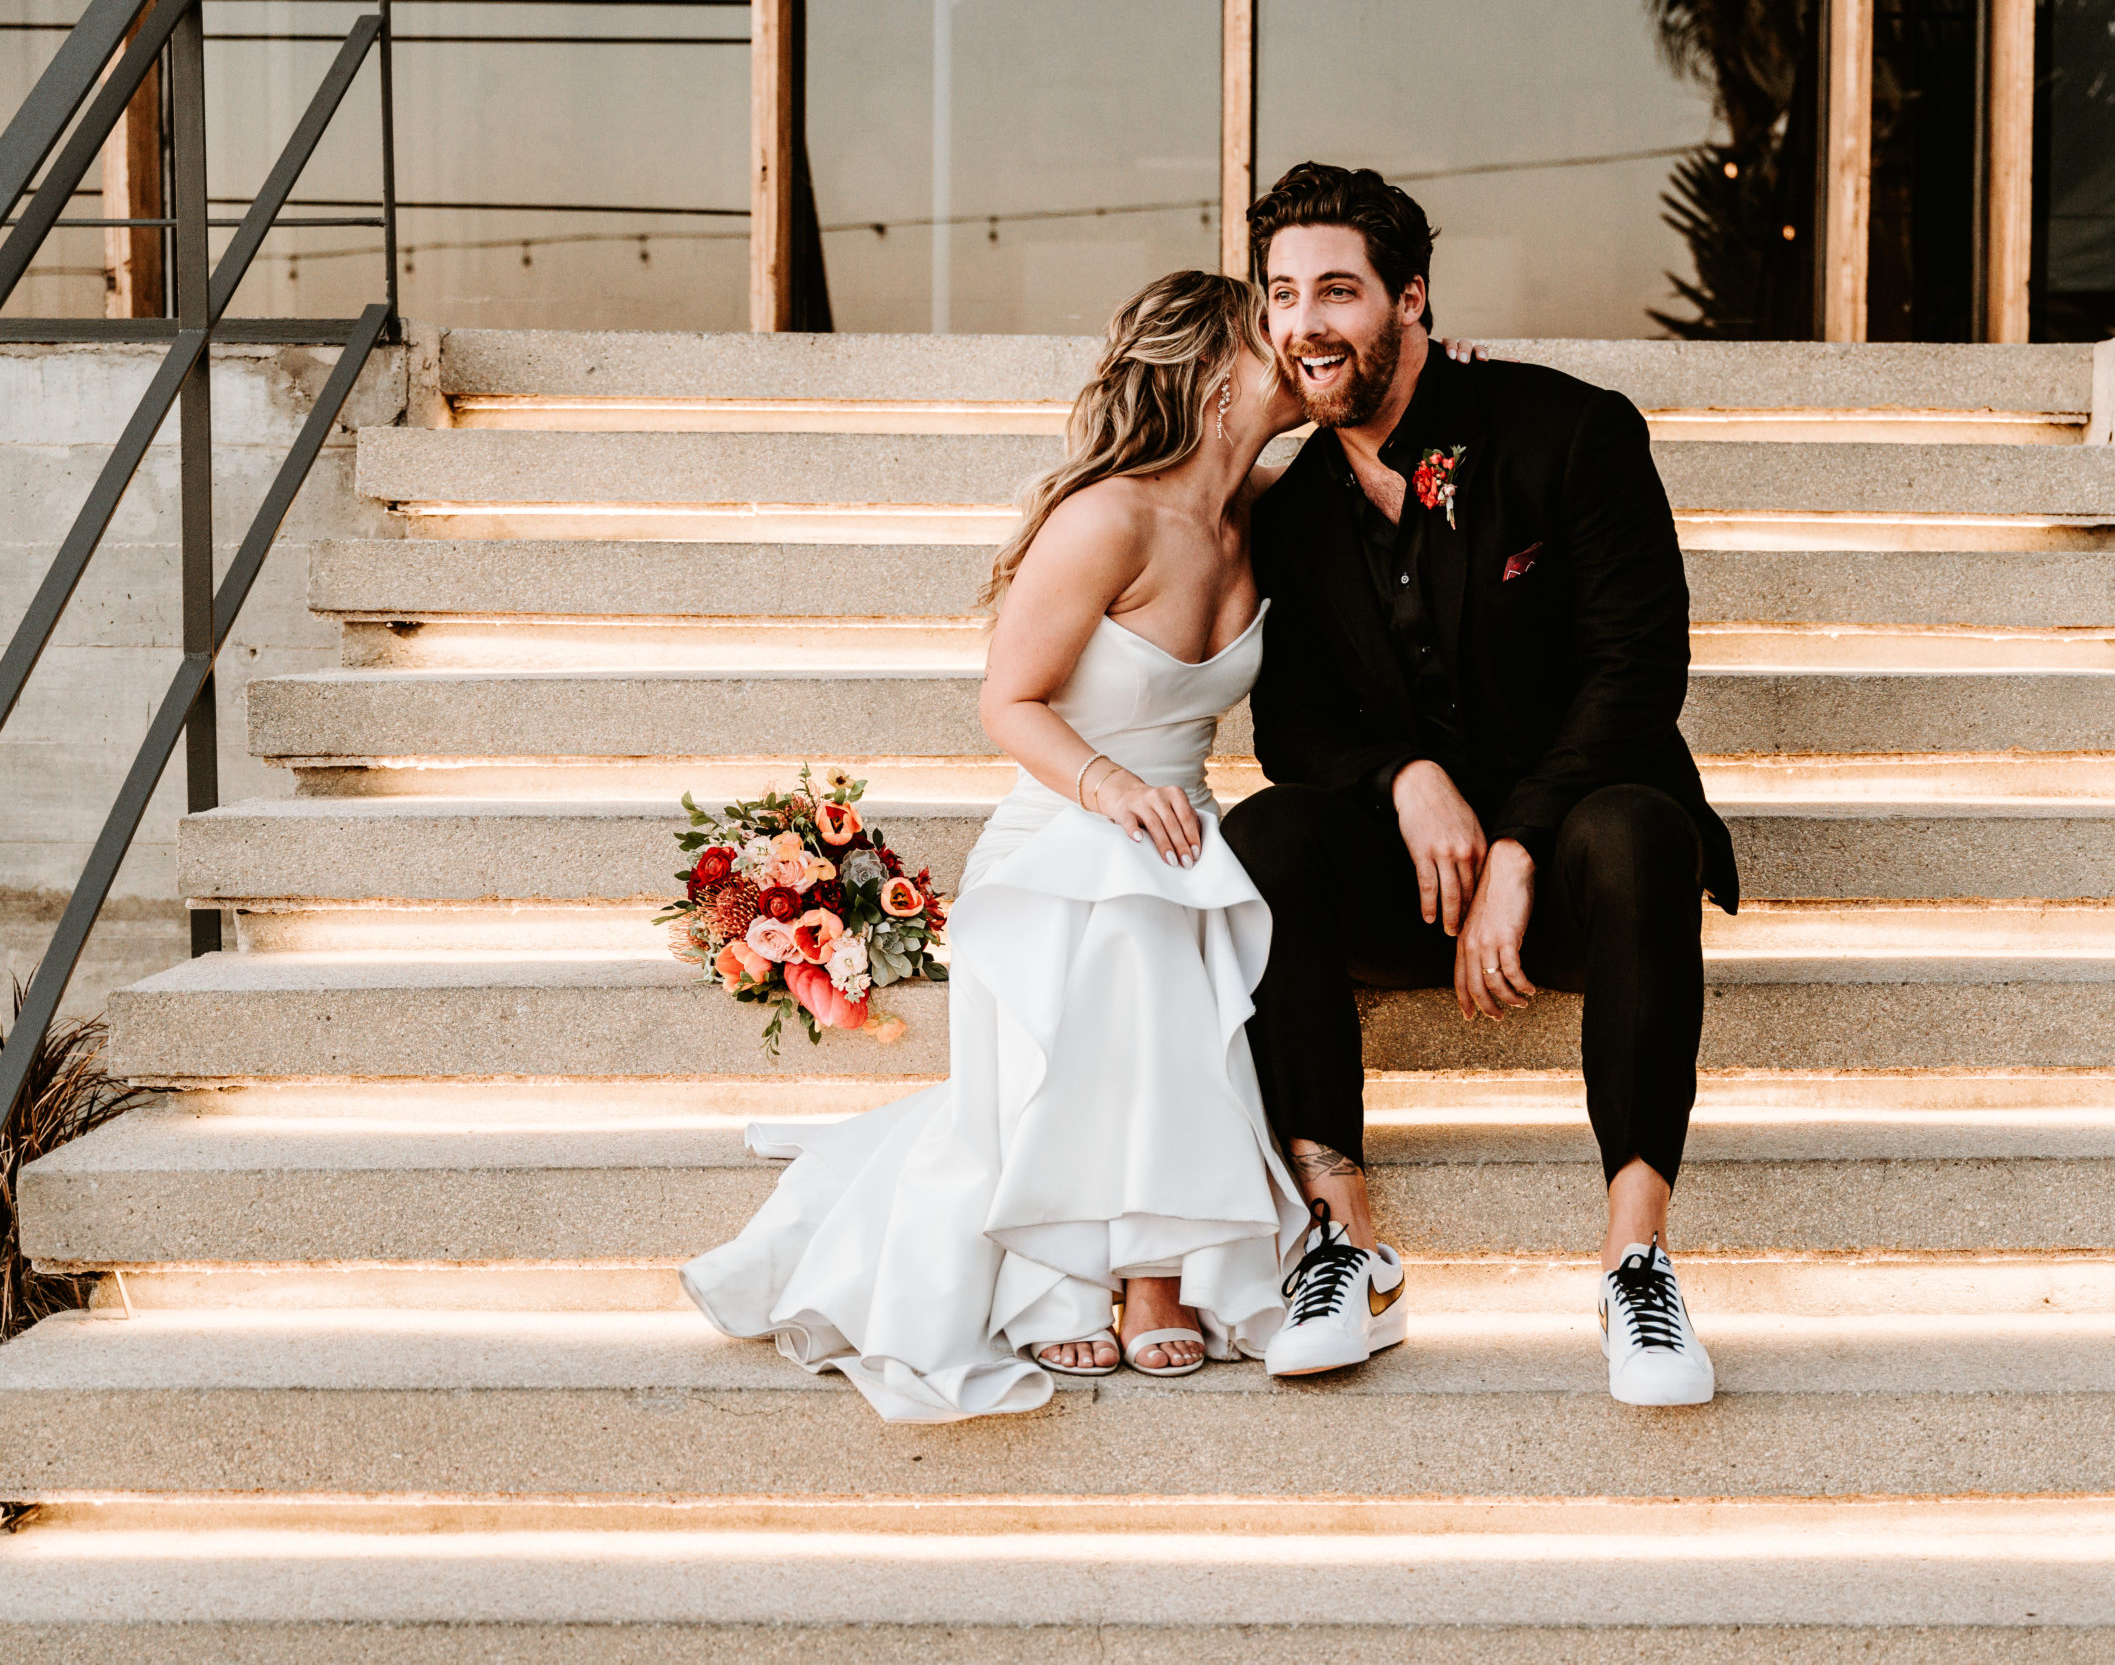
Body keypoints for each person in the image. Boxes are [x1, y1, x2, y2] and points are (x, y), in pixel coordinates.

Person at [682, 271, 1316, 1421]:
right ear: (1219, 377)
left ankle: (1152, 1271)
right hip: (1067, 825)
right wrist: (1111, 786)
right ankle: (1086, 1270)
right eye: (1274, 340)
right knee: (1133, 929)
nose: (1301, 350)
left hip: (1180, 828)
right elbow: (1009, 701)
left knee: (1163, 913)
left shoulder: (1265, 510)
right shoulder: (1107, 517)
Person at [1226, 163, 1741, 1408]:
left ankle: (1637, 1264)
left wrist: (1516, 842)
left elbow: (1637, 673)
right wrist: (1403, 778)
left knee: (1637, 832)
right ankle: (1343, 1244)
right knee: (1266, 832)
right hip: (1406, 884)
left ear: (1409, 297)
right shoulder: (1289, 509)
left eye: (1337, 290)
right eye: (1284, 294)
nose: (1306, 323)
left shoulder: (1569, 431)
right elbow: (1289, 718)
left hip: (1570, 872)